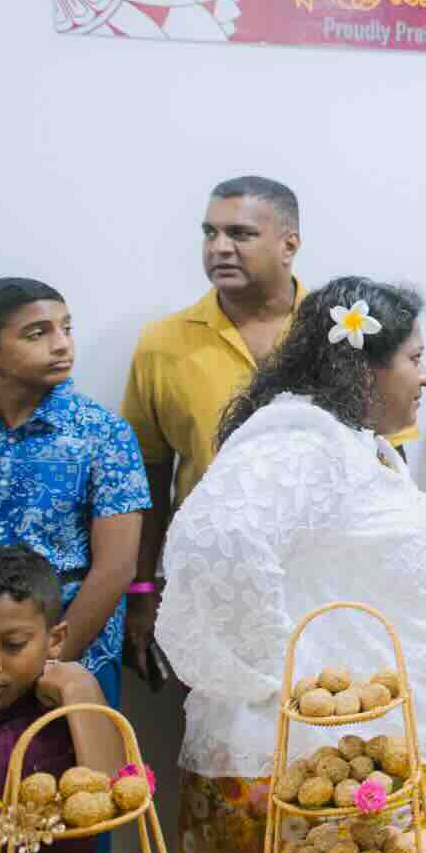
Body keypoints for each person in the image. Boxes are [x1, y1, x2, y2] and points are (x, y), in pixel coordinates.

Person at [156, 279, 426, 853]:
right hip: (311, 758)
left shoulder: (353, 445)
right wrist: (272, 670)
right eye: (415, 359)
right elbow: (214, 542)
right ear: (365, 368)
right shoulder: (298, 443)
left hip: (373, 743)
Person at [123, 176, 330, 674]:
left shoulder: (341, 329)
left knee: (334, 734)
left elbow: (387, 456)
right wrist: (142, 589)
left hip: (328, 576)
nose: (219, 248)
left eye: (239, 234)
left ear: (290, 244)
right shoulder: (164, 343)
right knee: (226, 739)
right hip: (212, 584)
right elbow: (146, 477)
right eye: (209, 233)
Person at [0, 279, 148, 706]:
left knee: (81, 772)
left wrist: (48, 662)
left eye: (66, 328)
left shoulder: (103, 433)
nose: (61, 344)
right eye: (38, 333)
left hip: (74, 657)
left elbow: (116, 568)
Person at [0, 546, 124, 853]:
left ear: (54, 641)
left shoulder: (62, 712)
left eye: (12, 644)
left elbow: (116, 795)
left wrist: (79, 687)